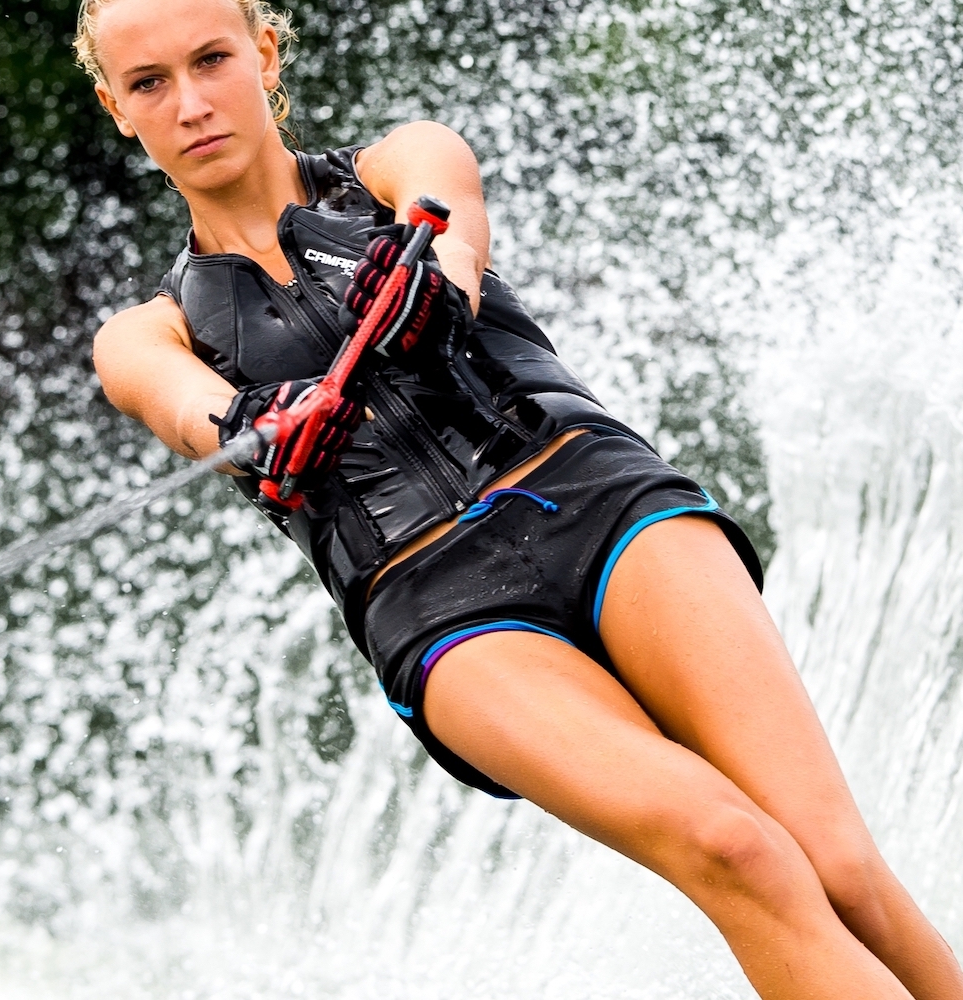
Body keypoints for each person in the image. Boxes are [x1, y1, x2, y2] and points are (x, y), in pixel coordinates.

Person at [75, 0, 963, 997]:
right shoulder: (143, 333)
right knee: (733, 848)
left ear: (265, 51)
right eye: (150, 83)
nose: (191, 103)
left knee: (841, 874)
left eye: (211, 60)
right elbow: (190, 406)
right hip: (438, 606)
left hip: (592, 497)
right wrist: (260, 426)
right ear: (116, 107)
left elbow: (441, 217)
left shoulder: (396, 164)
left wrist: (429, 278)